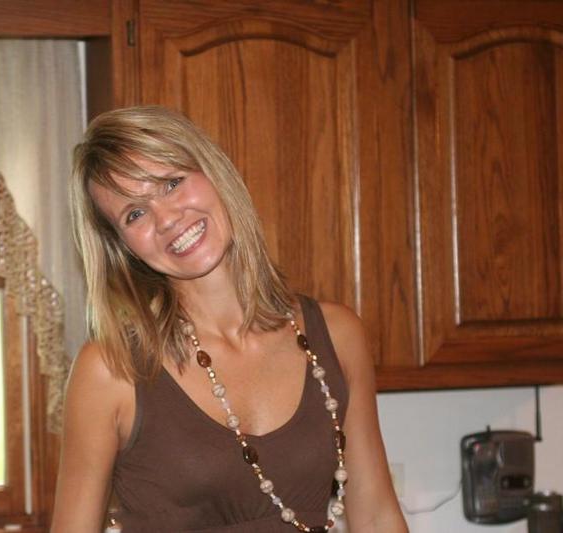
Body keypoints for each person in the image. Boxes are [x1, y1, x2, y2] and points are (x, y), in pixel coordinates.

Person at [51, 106, 407, 533]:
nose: (167, 218)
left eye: (172, 183)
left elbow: (377, 515)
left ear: (212, 172)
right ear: (122, 246)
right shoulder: (111, 370)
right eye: (135, 214)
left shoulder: (336, 335)